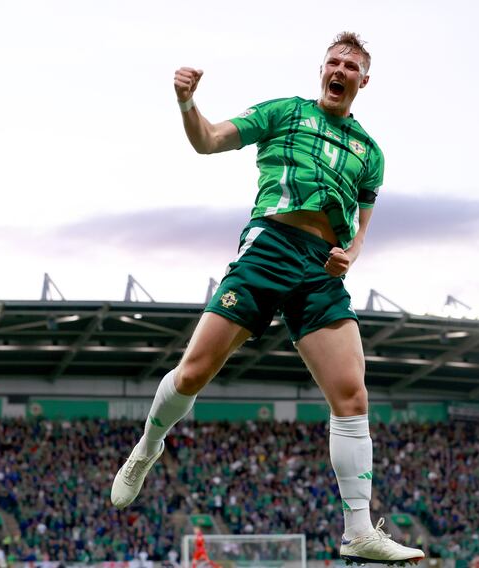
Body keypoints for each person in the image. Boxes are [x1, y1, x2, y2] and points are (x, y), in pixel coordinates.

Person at [111, 32, 424, 565]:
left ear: (363, 80)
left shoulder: (370, 153)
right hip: (270, 247)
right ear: (322, 70)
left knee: (352, 396)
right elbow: (208, 139)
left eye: (350, 65)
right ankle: (148, 446)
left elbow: (362, 228)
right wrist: (188, 103)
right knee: (192, 374)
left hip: (320, 269)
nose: (340, 70)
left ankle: (358, 531)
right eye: (333, 61)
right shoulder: (284, 112)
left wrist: (350, 254)